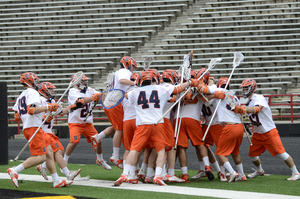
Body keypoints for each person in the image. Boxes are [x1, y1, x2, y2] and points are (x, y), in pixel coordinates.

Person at [113, 70, 199, 186]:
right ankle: (158, 176)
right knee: (161, 151)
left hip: (142, 125)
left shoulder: (134, 92)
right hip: (157, 123)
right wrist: (189, 82)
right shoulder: (161, 89)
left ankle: (124, 174)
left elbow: (127, 95)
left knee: (134, 150)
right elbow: (178, 88)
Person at [10, 72, 73, 188]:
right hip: (34, 127)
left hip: (29, 127)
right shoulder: (33, 92)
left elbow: (16, 116)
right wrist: (48, 107)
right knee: (41, 157)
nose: (36, 83)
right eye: (35, 81)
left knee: (49, 153)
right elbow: (31, 110)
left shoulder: (21, 95)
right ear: (29, 81)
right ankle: (15, 170)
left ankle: (56, 180)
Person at [237, 78, 300, 181]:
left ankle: (296, 172)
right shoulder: (248, 102)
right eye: (243, 89)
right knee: (252, 154)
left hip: (269, 132)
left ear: (252, 88)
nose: (244, 91)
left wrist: (242, 109)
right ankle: (259, 170)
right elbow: (256, 118)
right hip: (258, 133)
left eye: (246, 88)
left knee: (281, 153)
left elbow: (257, 109)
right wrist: (248, 124)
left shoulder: (259, 98)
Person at [198, 77, 246, 182]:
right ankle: (242, 175)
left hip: (229, 127)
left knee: (220, 153)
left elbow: (204, 95)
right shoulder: (233, 95)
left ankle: (231, 173)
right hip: (239, 126)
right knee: (235, 152)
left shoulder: (219, 91)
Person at [63, 73, 111, 170]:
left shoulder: (90, 90)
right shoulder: (73, 91)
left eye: (85, 81)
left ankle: (100, 160)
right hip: (75, 123)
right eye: (83, 81)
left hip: (87, 123)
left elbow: (102, 96)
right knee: (74, 141)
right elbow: (80, 101)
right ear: (77, 83)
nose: (85, 82)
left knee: (98, 140)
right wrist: (93, 97)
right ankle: (64, 161)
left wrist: (105, 94)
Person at [36, 82, 81, 181]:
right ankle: (68, 174)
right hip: (42, 131)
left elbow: (61, 112)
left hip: (49, 131)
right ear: (44, 90)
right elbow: (33, 115)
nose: (53, 91)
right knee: (57, 151)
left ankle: (43, 166)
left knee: (60, 151)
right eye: (50, 89)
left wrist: (74, 107)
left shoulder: (51, 100)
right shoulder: (40, 101)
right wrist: (42, 117)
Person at [104, 56, 137, 169]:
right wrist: (135, 83)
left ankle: (98, 137)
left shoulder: (118, 72)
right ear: (127, 64)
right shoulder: (124, 71)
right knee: (120, 129)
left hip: (112, 100)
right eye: (132, 66)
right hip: (115, 102)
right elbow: (122, 81)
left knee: (120, 128)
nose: (133, 69)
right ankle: (115, 155)